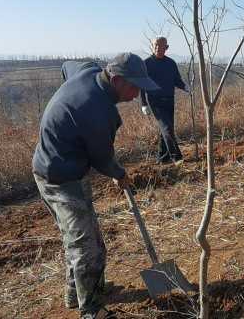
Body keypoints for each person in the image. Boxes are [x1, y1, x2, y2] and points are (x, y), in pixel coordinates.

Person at [32, 53, 158, 319]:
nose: (137, 95)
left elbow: (66, 67)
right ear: (115, 78)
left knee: (81, 239)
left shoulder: (87, 70)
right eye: (134, 86)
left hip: (54, 166)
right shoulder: (97, 111)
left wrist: (68, 99)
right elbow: (102, 158)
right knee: (87, 247)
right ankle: (90, 310)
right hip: (60, 178)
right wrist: (118, 173)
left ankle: (77, 293)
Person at [141, 37, 188, 164]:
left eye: (161, 46)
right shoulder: (146, 64)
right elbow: (142, 85)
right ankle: (176, 157)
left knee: (166, 130)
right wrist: (143, 104)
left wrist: (185, 87)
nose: (158, 48)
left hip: (169, 100)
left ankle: (162, 157)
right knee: (167, 128)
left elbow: (177, 80)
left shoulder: (171, 63)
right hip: (155, 102)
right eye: (156, 46)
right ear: (152, 46)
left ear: (166, 48)